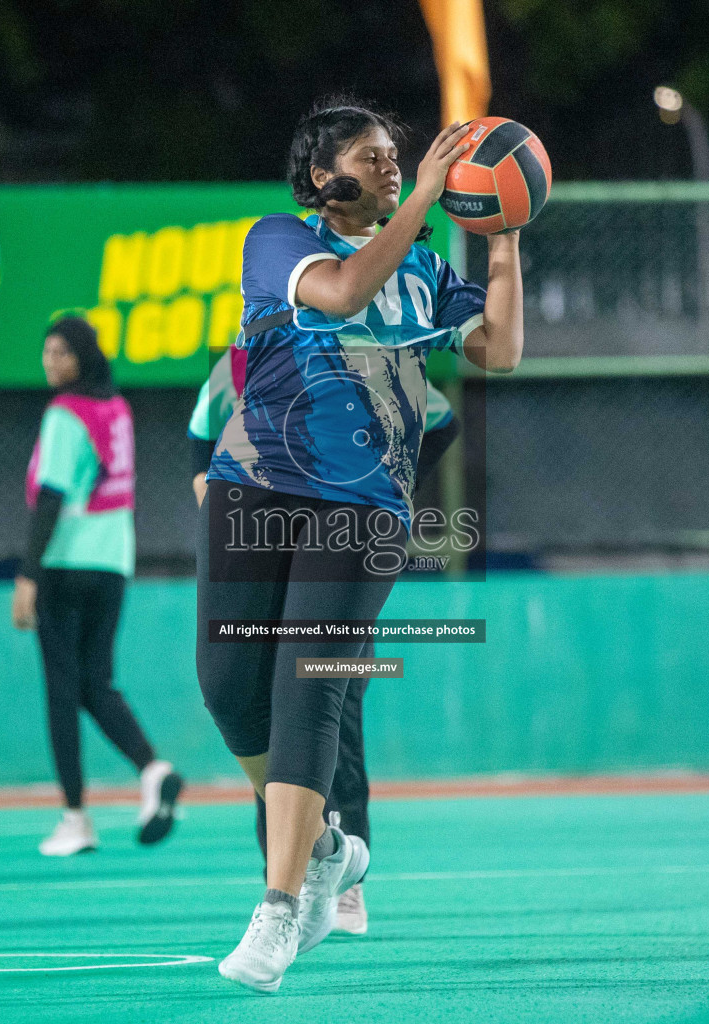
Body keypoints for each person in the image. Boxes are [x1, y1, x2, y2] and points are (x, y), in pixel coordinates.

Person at [197, 97, 523, 992]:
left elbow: (498, 348)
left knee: (311, 686)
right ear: (319, 178)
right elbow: (342, 293)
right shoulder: (276, 239)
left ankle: (278, 907)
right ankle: (333, 846)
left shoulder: (420, 268)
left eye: (397, 155)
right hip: (254, 485)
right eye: (372, 156)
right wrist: (421, 198)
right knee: (227, 688)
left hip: (365, 505)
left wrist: (504, 237)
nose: (392, 165)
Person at [188, 343, 462, 935]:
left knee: (332, 710)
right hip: (259, 555)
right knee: (258, 713)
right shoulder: (237, 364)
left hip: (336, 556)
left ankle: (347, 888)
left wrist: (394, 481)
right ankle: (287, 872)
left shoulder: (370, 358)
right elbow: (197, 444)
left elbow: (440, 419)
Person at [13, 316, 183, 856]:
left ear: (83, 357)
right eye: (46, 351)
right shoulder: (117, 409)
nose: (51, 361)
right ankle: (153, 769)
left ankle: (75, 816)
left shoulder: (65, 414)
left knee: (61, 692)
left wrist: (26, 575)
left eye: (61, 352)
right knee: (94, 683)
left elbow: (52, 497)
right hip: (112, 563)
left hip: (65, 562)